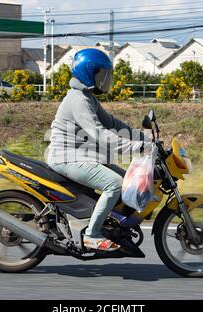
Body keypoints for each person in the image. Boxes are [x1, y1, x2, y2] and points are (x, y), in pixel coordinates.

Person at [47, 48, 151, 252]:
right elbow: (101, 134)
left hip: (81, 155)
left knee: (129, 181)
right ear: (88, 73)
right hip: (66, 158)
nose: (106, 80)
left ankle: (111, 226)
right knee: (115, 184)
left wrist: (144, 138)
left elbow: (112, 123)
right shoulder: (78, 100)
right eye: (102, 75)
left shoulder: (87, 98)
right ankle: (91, 234)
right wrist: (136, 146)